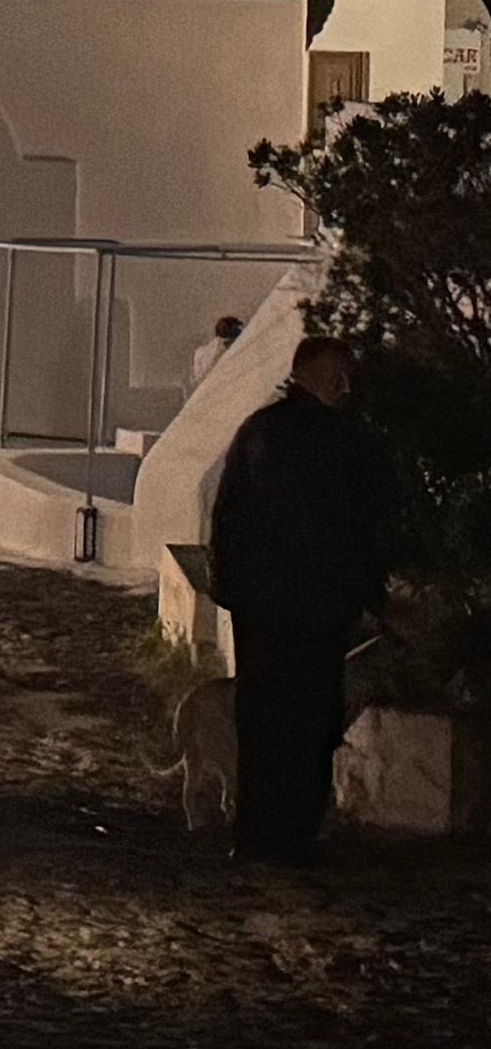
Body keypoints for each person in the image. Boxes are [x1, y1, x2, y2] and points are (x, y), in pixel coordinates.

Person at [210, 333, 388, 866]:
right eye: (338, 373)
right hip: (313, 608)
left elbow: (229, 516)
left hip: (263, 607)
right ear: (314, 373)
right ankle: (294, 834)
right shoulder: (339, 442)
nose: (345, 385)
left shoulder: (259, 433)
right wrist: (363, 595)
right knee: (308, 720)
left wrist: (232, 587)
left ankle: (258, 831)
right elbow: (358, 528)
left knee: (264, 717)